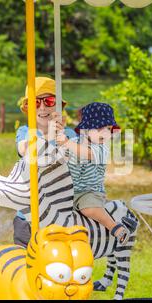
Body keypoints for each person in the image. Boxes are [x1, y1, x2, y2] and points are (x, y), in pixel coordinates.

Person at [55, 102, 132, 245]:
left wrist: (66, 142)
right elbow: (62, 156)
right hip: (69, 190)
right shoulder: (74, 141)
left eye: (108, 129)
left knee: (89, 209)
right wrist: (59, 138)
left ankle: (114, 227)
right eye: (99, 128)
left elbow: (85, 154)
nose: (105, 133)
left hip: (89, 191)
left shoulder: (102, 149)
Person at [13, 77, 77, 247]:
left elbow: (80, 162)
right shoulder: (25, 132)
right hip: (28, 217)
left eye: (49, 101)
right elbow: (26, 151)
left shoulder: (69, 135)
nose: (42, 107)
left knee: (60, 266)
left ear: (58, 106)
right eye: (35, 102)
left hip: (62, 215)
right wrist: (49, 135)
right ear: (27, 108)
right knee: (27, 264)